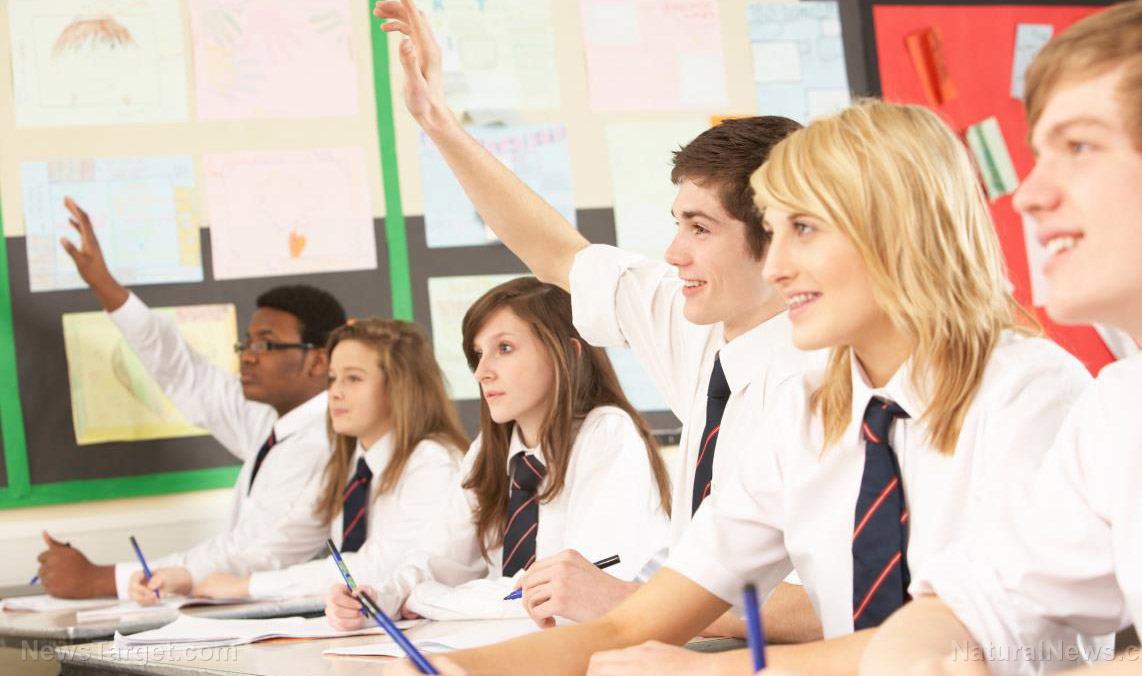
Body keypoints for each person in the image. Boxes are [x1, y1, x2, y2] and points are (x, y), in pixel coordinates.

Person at [374, 100, 1098, 676]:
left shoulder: (1030, 391)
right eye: (774, 231)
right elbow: (631, 625)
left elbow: (958, 646)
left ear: (892, 230)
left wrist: (714, 670)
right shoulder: (809, 412)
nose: (777, 267)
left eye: (803, 229)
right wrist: (450, 669)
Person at [372, 0, 825, 641]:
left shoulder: (824, 378)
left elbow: (833, 605)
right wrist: (436, 122)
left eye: (700, 228)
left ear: (775, 235)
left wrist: (638, 601)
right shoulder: (696, 322)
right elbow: (556, 252)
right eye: (677, 224)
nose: (674, 252)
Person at [859, 1, 1142, 674]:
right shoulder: (1126, 408)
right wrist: (926, 662)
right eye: (1038, 154)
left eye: (1080, 147)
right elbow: (970, 602)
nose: (1027, 195)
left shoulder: (1043, 384)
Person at [34, 197, 344, 600]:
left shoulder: (323, 443)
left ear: (318, 360)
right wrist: (105, 286)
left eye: (266, 344)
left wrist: (102, 580)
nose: (248, 356)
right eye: (246, 342)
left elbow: (254, 553)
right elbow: (185, 373)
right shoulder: (271, 422)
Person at [325, 277, 671, 627]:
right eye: (478, 354)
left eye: (504, 348)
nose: (481, 372)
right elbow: (435, 561)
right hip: (516, 641)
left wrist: (425, 597)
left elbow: (568, 598)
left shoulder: (608, 434)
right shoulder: (489, 451)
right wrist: (380, 600)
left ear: (568, 354)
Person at [130, 318, 468, 603]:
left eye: (353, 378)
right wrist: (188, 576)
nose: (335, 392)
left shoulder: (432, 463)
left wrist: (247, 587)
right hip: (363, 627)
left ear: (400, 387)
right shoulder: (350, 464)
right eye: (332, 378)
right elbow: (279, 542)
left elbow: (373, 568)